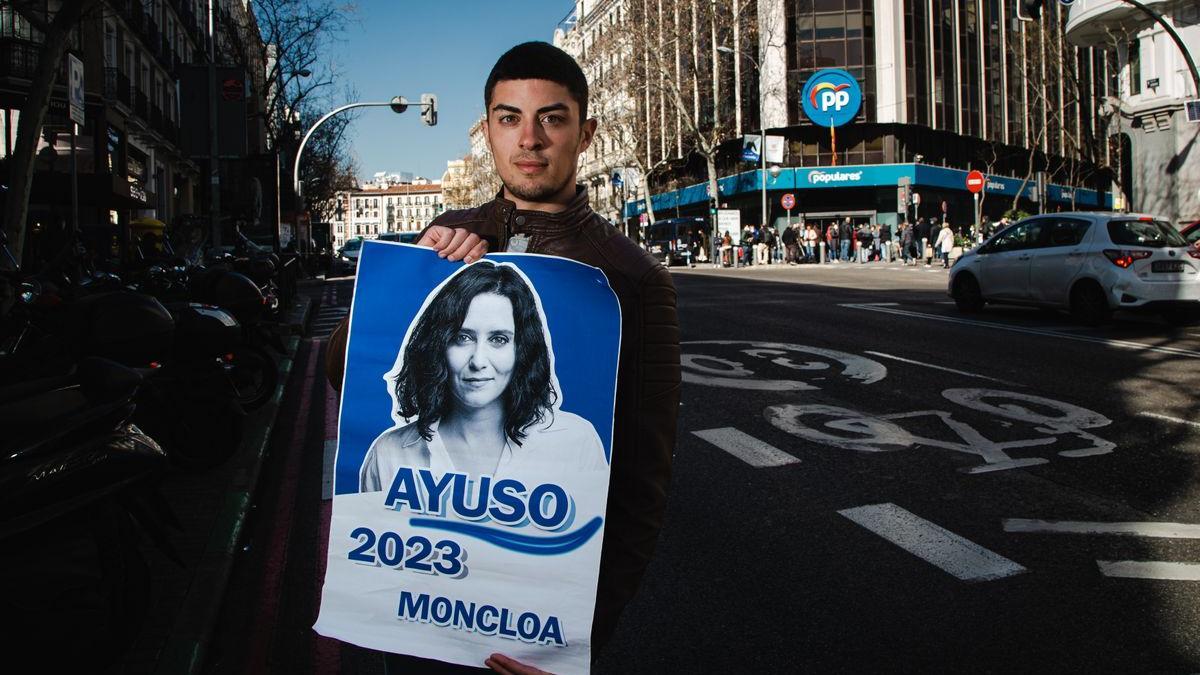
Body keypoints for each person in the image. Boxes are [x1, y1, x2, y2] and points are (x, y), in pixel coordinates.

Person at [325, 41, 680, 674]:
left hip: (532, 636)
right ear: (488, 129)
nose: (530, 139)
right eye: (509, 117)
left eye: (552, 117)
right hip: (418, 626)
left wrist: (579, 640)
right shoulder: (446, 232)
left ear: (586, 132)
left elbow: (640, 481)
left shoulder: (633, 278)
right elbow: (343, 378)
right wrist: (405, 279)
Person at [359, 261, 605, 492]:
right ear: (437, 346)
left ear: (521, 349)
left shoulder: (575, 443)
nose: (478, 361)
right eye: (462, 338)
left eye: (499, 339)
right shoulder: (388, 454)